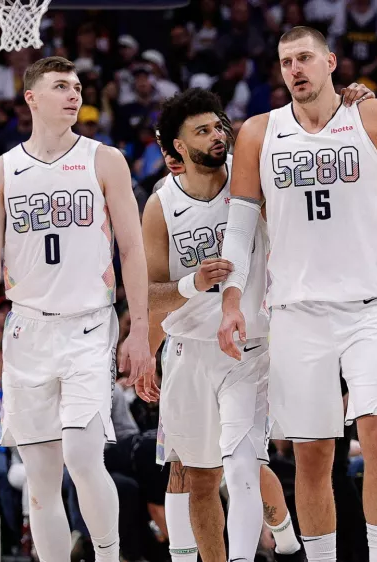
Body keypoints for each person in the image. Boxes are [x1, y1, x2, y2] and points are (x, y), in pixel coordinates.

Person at [216, 26, 377, 562]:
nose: (295, 69)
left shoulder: (375, 116)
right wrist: (230, 301)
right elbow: (240, 226)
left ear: (331, 62)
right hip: (295, 311)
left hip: (373, 306)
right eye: (285, 62)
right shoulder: (257, 132)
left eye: (304, 58)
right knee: (312, 454)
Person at [0, 56, 153, 562]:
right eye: (60, 87)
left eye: (77, 87)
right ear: (31, 97)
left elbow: (133, 249)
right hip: (27, 329)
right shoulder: (1, 171)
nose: (74, 94)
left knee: (80, 453)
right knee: (40, 481)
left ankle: (109, 555)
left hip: (90, 325)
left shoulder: (104, 159)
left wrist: (139, 329)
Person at [137, 88, 303, 562]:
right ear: (177, 150)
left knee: (241, 464)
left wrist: (349, 102)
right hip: (188, 352)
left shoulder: (252, 184)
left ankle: (275, 539)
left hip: (249, 347)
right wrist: (189, 287)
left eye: (218, 127)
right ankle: (276, 526)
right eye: (202, 131)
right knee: (199, 476)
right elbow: (147, 295)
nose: (217, 137)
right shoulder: (160, 206)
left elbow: (301, 132)